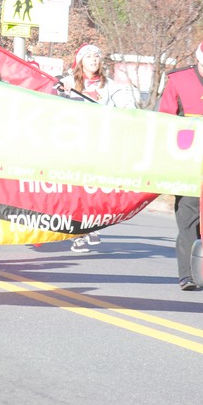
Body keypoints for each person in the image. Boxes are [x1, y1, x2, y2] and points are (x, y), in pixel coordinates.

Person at [59, 44, 139, 253]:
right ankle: (77, 234)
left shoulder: (110, 85)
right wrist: (62, 91)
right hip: (75, 145)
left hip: (101, 145)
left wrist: (131, 112)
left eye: (97, 56)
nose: (94, 60)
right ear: (80, 62)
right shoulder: (68, 83)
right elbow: (55, 105)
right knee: (76, 191)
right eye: (89, 56)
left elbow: (127, 106)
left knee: (95, 189)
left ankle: (92, 225)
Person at [157, 32, 203, 290]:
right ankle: (188, 274)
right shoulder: (179, 80)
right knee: (188, 218)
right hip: (187, 162)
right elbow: (164, 120)